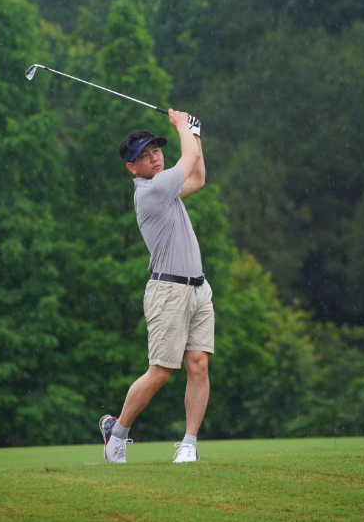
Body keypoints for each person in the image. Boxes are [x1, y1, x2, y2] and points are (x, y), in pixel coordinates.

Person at [100, 109, 214, 464]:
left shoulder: (167, 189)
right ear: (132, 168)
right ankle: (117, 433)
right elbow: (189, 158)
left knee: (199, 365)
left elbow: (199, 178)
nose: (154, 157)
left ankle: (189, 444)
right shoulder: (152, 190)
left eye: (156, 150)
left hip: (198, 290)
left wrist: (195, 132)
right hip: (168, 292)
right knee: (161, 373)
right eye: (144, 156)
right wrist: (183, 126)